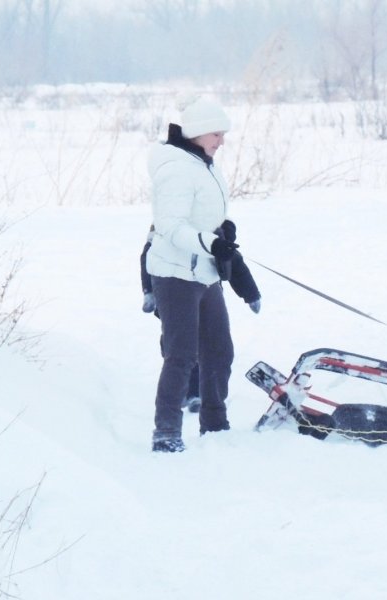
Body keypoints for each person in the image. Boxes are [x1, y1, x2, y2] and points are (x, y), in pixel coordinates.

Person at [145, 95, 247, 453]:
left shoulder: (203, 163)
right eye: (217, 134)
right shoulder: (176, 168)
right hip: (175, 275)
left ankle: (215, 424)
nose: (222, 141)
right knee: (182, 355)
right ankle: (167, 432)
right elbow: (171, 227)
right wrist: (210, 243)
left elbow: (201, 212)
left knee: (220, 351)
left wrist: (223, 229)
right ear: (200, 132)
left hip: (204, 272)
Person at [140, 225, 261, 414]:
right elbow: (149, 259)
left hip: (208, 296)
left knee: (214, 347)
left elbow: (235, 264)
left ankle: (201, 394)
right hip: (173, 294)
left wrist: (251, 294)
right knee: (181, 347)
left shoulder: (210, 229)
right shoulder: (165, 230)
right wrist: (149, 293)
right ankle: (183, 392)